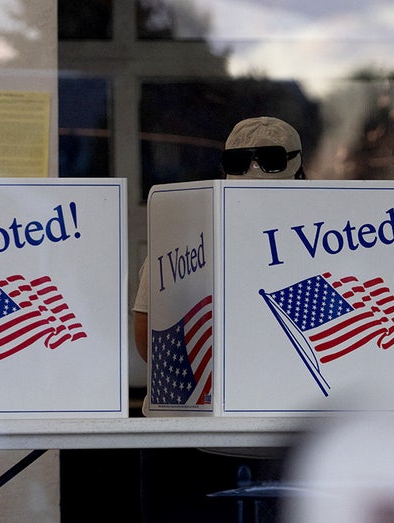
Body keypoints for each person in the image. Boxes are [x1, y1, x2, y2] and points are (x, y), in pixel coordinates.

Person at [135, 116, 304, 522]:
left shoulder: (182, 233)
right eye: (244, 162)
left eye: (269, 162)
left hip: (200, 441)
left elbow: (148, 339)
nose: (255, 173)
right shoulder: (327, 237)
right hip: (246, 444)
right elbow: (151, 338)